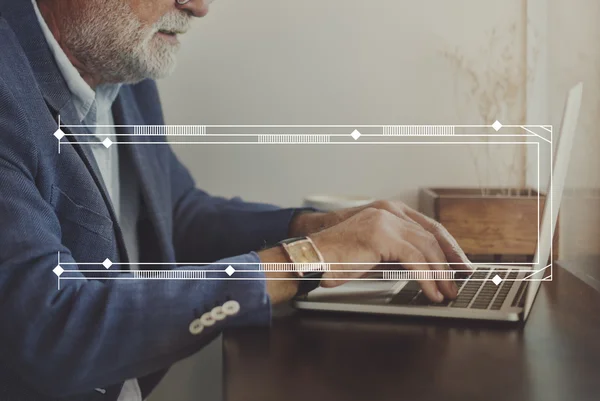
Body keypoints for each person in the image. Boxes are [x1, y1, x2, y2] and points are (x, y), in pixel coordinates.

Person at [0, 0, 472, 400]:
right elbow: (49, 328)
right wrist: (304, 261)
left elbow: (176, 215)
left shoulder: (119, 64)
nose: (200, 6)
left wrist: (320, 230)